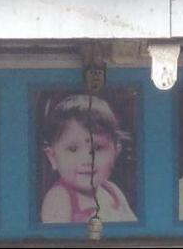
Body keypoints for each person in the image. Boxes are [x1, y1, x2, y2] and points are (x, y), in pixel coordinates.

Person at [39, 94, 138, 226]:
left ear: (116, 152)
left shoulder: (113, 191)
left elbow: (132, 230)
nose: (87, 159)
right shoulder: (59, 199)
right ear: (52, 157)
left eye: (97, 148)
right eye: (73, 149)